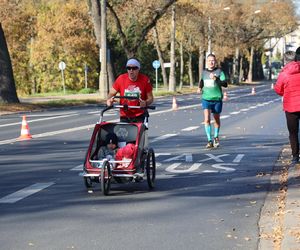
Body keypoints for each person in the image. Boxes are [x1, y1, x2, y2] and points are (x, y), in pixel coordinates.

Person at [106, 58, 154, 122]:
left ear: (138, 69)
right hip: (125, 115)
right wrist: (109, 101)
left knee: (139, 131)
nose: (131, 71)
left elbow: (151, 98)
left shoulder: (145, 80)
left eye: (134, 68)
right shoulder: (121, 79)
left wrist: (145, 103)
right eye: (129, 68)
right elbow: (111, 94)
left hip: (140, 115)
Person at [274, 50, 300, 165]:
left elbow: (278, 90)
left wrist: (285, 92)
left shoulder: (283, 74)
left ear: (285, 61)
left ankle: (295, 156)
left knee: (293, 132)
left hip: (291, 106)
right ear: (295, 60)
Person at [197, 53, 228, 149]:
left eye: (213, 60)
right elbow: (202, 81)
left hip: (217, 99)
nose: (211, 62)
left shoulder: (219, 72)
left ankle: (216, 137)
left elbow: (225, 84)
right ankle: (209, 140)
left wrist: (216, 78)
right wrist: (199, 88)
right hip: (206, 98)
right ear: (207, 62)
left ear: (215, 62)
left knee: (216, 119)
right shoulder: (204, 72)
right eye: (209, 60)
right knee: (206, 119)